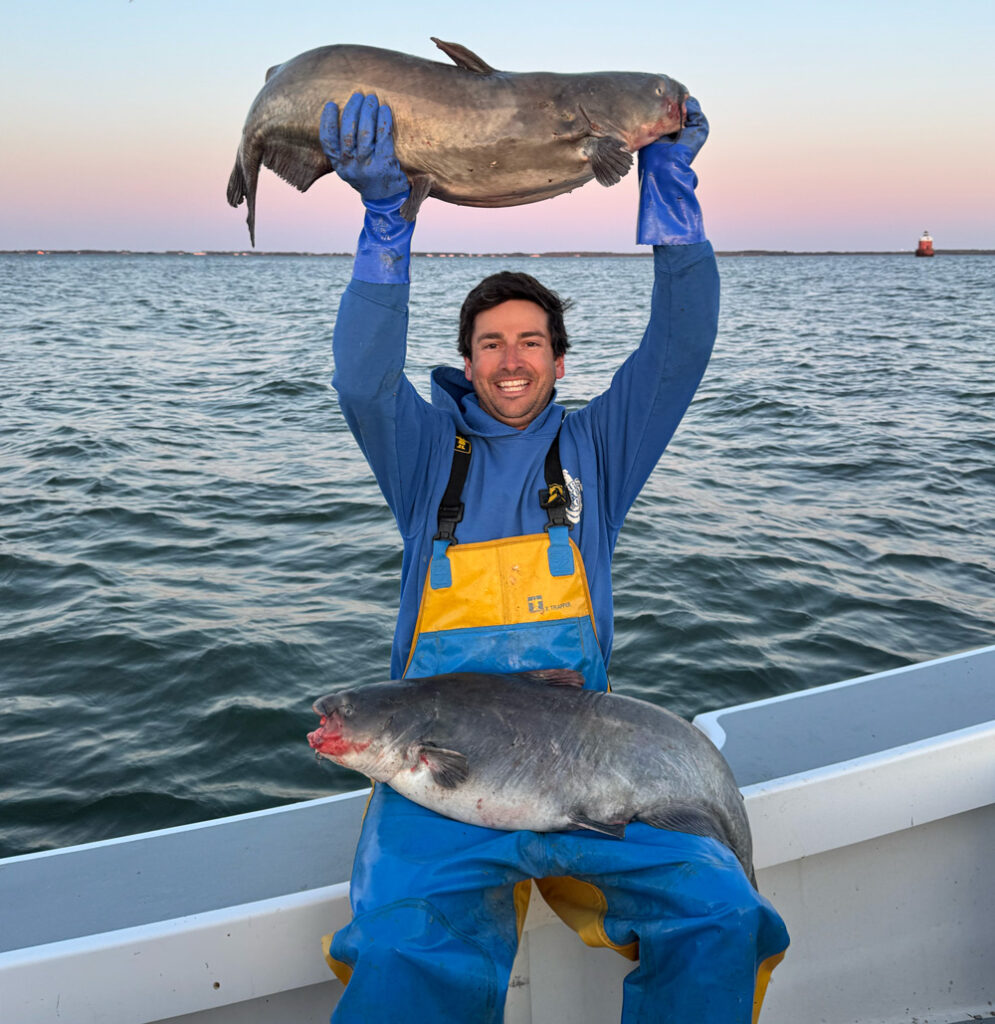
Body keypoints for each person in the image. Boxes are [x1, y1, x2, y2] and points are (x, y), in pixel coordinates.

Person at [320, 91, 789, 1023]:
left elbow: (679, 345)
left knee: (721, 914)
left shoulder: (599, 452)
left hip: (590, 775)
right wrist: (386, 221)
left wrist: (667, 180)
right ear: (465, 360)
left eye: (530, 341)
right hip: (441, 788)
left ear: (559, 363)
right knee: (404, 949)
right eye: (490, 342)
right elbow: (358, 377)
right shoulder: (422, 459)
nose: (509, 359)